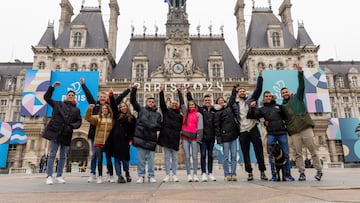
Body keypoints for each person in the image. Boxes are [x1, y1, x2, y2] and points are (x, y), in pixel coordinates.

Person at [280, 64, 323, 181]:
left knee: (312, 150)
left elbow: (302, 86)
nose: (285, 94)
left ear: (289, 92)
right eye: (282, 93)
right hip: (294, 131)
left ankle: (319, 170)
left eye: (286, 92)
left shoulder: (297, 97)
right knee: (298, 153)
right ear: (281, 95)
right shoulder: (282, 107)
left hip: (305, 127)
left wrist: (300, 73)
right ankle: (301, 172)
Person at [248, 91, 295, 181]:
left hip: (282, 132)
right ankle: (274, 175)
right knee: (271, 155)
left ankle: (287, 174)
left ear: (272, 97)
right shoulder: (262, 109)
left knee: (285, 154)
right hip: (271, 134)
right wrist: (252, 107)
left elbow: (286, 117)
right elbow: (252, 116)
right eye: (266, 96)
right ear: (264, 98)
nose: (268, 98)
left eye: (270, 96)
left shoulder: (279, 106)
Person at [43, 81, 82, 185]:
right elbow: (46, 98)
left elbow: (79, 122)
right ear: (66, 96)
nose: (70, 96)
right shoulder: (58, 104)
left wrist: (71, 126)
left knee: (63, 155)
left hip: (67, 134)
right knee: (52, 154)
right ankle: (49, 176)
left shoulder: (76, 110)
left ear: (74, 98)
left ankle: (59, 175)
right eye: (69, 95)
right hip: (56, 132)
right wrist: (52, 87)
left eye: (72, 95)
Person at [80, 77, 114, 183]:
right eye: (101, 96)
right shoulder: (95, 105)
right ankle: (93, 173)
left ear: (107, 98)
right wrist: (83, 85)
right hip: (94, 134)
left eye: (104, 96)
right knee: (95, 155)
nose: (102, 98)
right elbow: (88, 95)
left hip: (107, 135)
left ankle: (109, 173)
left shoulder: (109, 109)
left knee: (108, 155)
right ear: (99, 97)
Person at [237, 66, 268, 181]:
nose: (242, 92)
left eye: (244, 91)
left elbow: (258, 89)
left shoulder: (251, 99)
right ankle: (249, 172)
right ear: (237, 94)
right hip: (242, 131)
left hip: (253, 128)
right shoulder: (235, 104)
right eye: (240, 91)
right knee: (245, 153)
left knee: (258, 151)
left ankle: (262, 171)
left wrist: (260, 76)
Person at [130, 85, 162, 183]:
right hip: (141, 137)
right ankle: (141, 175)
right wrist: (134, 90)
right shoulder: (141, 110)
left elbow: (159, 126)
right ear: (146, 102)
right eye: (149, 101)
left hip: (151, 138)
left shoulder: (158, 114)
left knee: (151, 159)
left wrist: (154, 126)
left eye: (153, 102)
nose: (151, 103)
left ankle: (151, 175)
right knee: (141, 159)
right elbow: (133, 101)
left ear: (155, 104)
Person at [186, 88, 216, 182]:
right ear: (203, 102)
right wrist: (188, 93)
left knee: (210, 155)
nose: (207, 101)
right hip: (203, 137)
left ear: (211, 101)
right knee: (203, 155)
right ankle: (203, 173)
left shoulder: (214, 110)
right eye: (205, 100)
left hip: (211, 136)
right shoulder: (201, 109)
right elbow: (192, 102)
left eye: (208, 100)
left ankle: (210, 173)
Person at [107, 87, 135, 183]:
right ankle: (119, 176)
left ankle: (127, 172)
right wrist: (111, 95)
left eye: (124, 106)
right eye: (121, 106)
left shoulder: (131, 118)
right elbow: (113, 105)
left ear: (127, 107)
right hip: (115, 140)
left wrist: (131, 139)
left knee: (125, 159)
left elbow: (133, 130)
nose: (123, 107)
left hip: (125, 140)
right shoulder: (117, 115)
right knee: (117, 159)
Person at [158, 85, 183, 182]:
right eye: (172, 103)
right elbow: (162, 103)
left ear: (177, 106)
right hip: (166, 137)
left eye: (175, 104)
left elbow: (181, 128)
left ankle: (175, 174)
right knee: (167, 157)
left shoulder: (180, 116)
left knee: (175, 157)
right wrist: (161, 92)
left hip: (175, 138)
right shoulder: (166, 111)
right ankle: (167, 174)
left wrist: (179, 92)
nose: (174, 104)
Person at [213, 85, 239, 181]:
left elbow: (232, 98)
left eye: (222, 100)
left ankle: (233, 173)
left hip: (233, 135)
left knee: (233, 156)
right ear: (216, 103)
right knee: (225, 157)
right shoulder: (216, 113)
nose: (221, 101)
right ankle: (226, 174)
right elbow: (217, 126)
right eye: (219, 100)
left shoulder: (229, 107)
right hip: (224, 137)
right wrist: (219, 138)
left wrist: (234, 90)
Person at [85, 102, 114, 184]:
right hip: (98, 141)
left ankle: (111, 175)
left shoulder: (112, 119)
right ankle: (100, 176)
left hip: (108, 142)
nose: (104, 110)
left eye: (106, 109)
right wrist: (90, 109)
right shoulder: (98, 118)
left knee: (109, 160)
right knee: (99, 159)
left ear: (108, 110)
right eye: (103, 109)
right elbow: (88, 118)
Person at [180, 99, 203, 182]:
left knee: (194, 156)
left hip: (194, 138)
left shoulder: (198, 114)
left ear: (195, 105)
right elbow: (182, 104)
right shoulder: (185, 114)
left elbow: (200, 128)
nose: (191, 106)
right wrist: (179, 92)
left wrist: (199, 139)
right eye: (190, 105)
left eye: (192, 104)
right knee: (186, 156)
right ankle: (189, 174)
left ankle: (195, 174)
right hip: (185, 137)